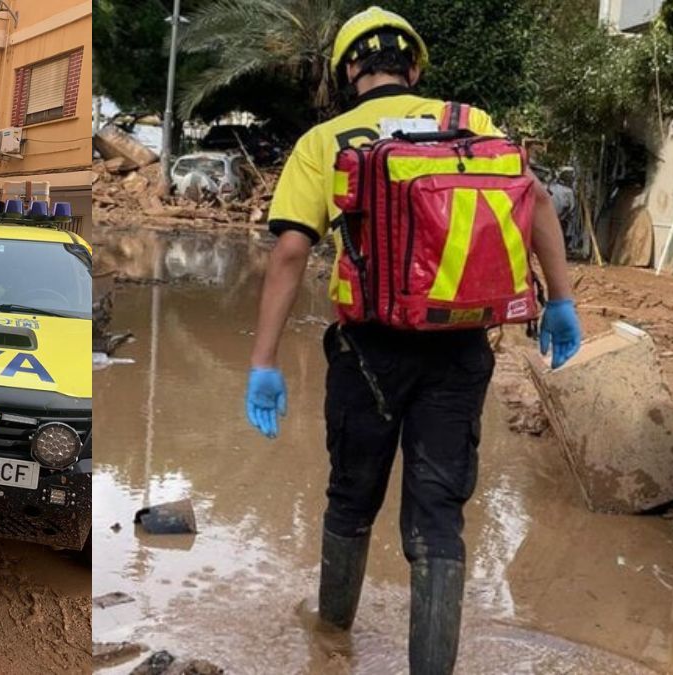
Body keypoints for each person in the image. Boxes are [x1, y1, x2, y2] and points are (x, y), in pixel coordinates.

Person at [243, 7, 582, 674]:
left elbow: (289, 252)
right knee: (437, 518)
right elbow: (536, 198)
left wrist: (264, 362)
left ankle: (331, 633)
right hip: (460, 348)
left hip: (366, 349)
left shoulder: (327, 139)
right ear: (415, 65)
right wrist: (561, 300)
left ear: (348, 71)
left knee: (351, 497)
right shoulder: (471, 124)